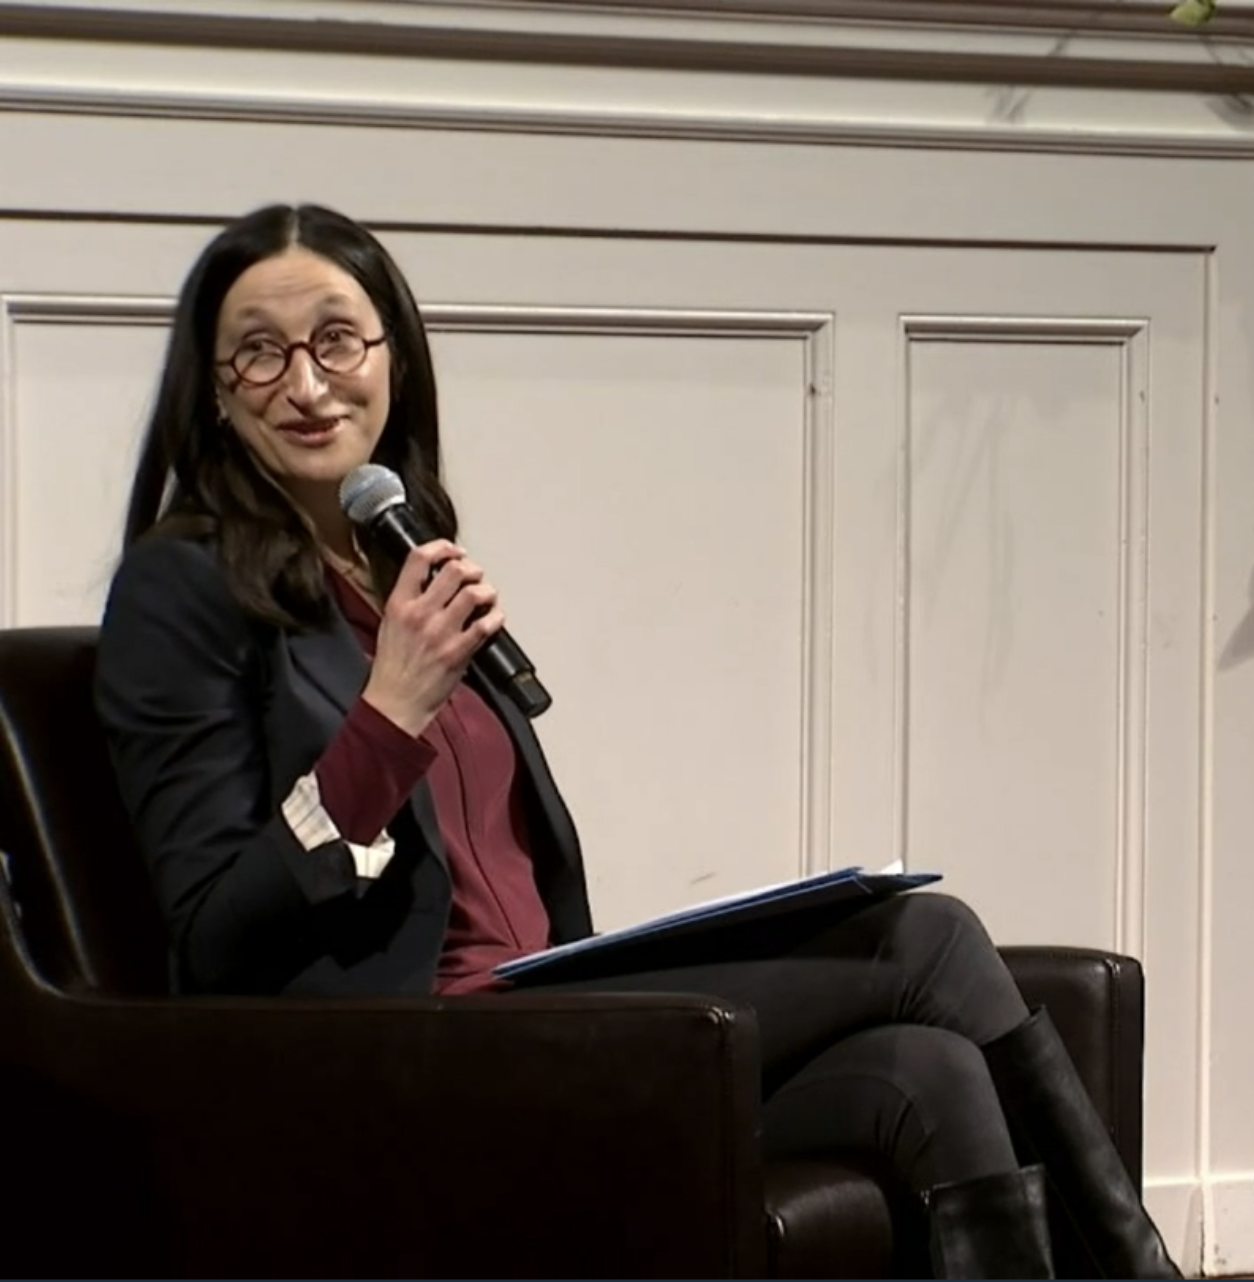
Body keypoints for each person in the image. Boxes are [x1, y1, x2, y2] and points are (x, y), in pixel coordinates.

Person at [92, 202, 1179, 1281]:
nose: (309, 381)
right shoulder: (179, 586)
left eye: (337, 338)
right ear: (218, 396)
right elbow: (212, 932)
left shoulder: (403, 555)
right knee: (928, 938)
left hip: (537, 1016)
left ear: (393, 358)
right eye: (260, 354)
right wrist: (386, 720)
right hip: (399, 1059)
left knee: (928, 1070)